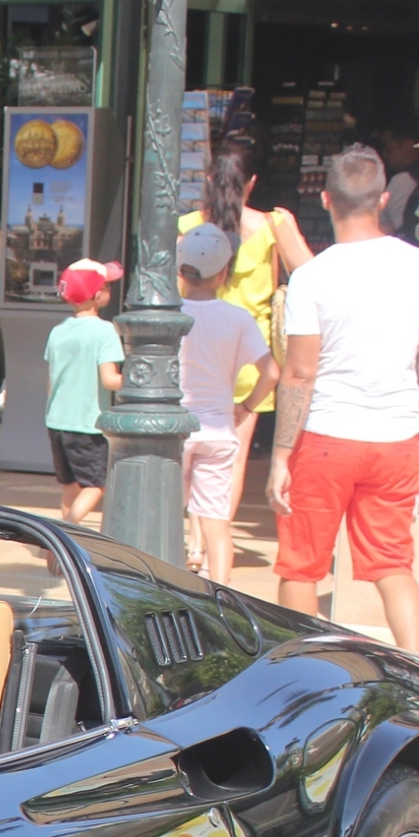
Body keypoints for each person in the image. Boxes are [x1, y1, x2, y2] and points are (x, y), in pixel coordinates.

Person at [264, 145, 419, 653]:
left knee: (302, 567)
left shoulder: (314, 276)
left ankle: (309, 669)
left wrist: (280, 456)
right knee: (393, 564)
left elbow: (300, 373)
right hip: (396, 437)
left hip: (325, 437)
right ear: (384, 197)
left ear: (325, 199)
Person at [180, 143, 315, 527]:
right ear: (252, 182)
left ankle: (192, 541)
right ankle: (214, 540)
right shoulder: (274, 225)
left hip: (196, 350)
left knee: (186, 450)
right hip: (252, 356)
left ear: (208, 179)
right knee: (231, 457)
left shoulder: (186, 227)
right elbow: (312, 276)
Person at [178, 224, 278, 586]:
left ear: (180, 270)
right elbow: (271, 371)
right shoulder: (238, 319)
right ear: (224, 273)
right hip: (219, 428)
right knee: (217, 526)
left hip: (174, 429)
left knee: (166, 519)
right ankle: (218, 598)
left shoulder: (169, 313)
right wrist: (246, 407)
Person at [41, 260, 126, 523]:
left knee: (70, 484)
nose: (109, 290)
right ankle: (67, 526)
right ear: (96, 294)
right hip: (87, 423)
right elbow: (110, 379)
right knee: (95, 484)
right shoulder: (105, 330)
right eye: (108, 285)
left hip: (57, 421)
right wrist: (137, 382)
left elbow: (51, 381)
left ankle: (62, 547)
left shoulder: (58, 331)